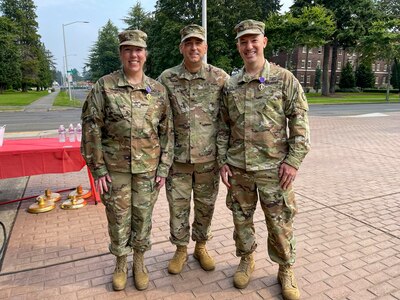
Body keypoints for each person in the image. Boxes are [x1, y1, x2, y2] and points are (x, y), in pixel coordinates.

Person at [217, 20, 310, 300]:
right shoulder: (231, 85)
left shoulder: (284, 79)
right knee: (241, 220)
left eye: (253, 40)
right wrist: (223, 159)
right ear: (238, 46)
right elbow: (223, 126)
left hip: (274, 170)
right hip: (239, 169)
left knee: (279, 222)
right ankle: (246, 259)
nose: (249, 46)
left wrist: (293, 161)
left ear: (264, 42)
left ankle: (285, 268)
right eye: (243, 42)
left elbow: (300, 122)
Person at [81, 29, 174, 291]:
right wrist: (98, 168)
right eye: (128, 49)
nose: (134, 55)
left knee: (143, 217)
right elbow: (91, 127)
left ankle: (140, 262)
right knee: (118, 218)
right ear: (121, 53)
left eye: (138, 50)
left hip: (148, 170)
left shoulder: (157, 90)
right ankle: (121, 262)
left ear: (145, 54)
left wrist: (164, 167)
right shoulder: (105, 86)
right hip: (116, 169)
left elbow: (167, 131)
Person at [158, 24, 229, 274]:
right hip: (177, 160)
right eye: (188, 43)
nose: (193, 47)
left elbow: (228, 119)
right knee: (177, 207)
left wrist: (225, 158)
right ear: (181, 48)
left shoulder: (220, 78)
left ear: (205, 47)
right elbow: (156, 116)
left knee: (205, 206)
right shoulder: (167, 78)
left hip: (208, 161)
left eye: (198, 43)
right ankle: (180, 250)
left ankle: (201, 246)